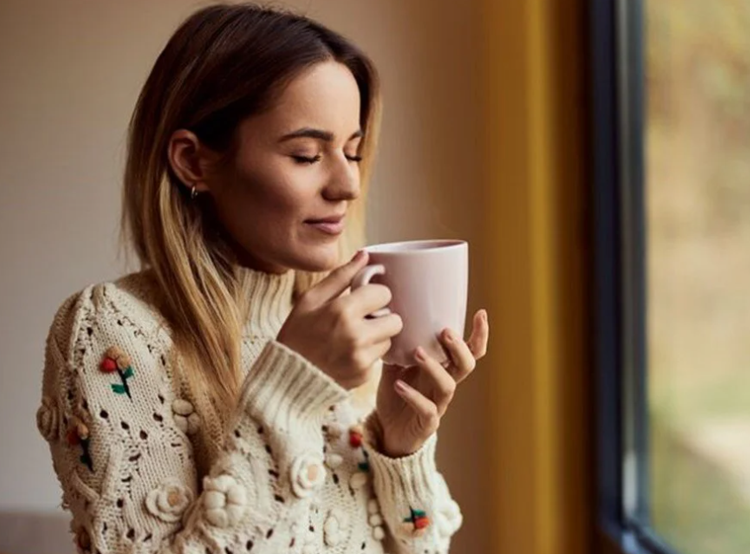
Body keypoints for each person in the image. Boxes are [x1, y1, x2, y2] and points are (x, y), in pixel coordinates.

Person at [35, 4, 489, 554]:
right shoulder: (113, 331)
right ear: (193, 162)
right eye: (305, 154)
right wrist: (287, 394)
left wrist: (400, 447)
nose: (348, 184)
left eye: (353, 150)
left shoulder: (346, 326)